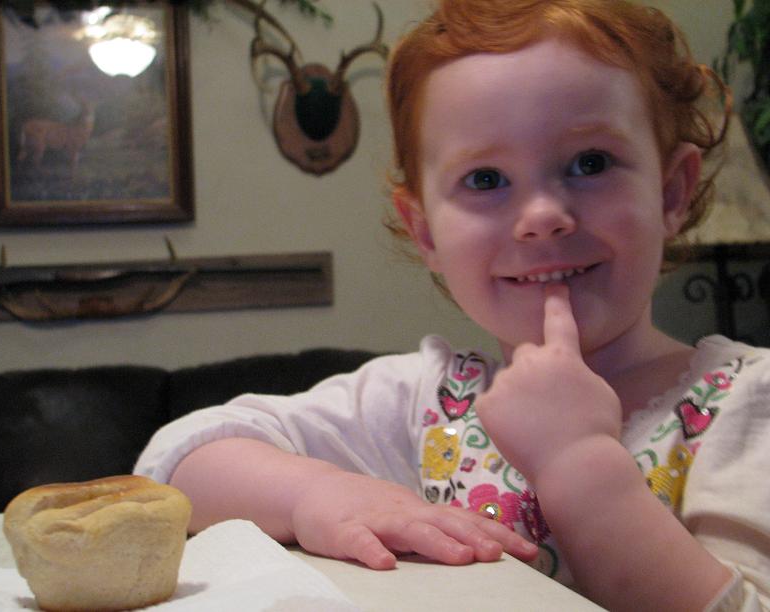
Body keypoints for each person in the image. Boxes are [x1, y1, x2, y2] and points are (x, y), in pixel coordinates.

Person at [135, 1, 770, 609]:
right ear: (427, 233)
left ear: (670, 192)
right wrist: (317, 493)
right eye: (485, 179)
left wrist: (576, 462)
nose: (542, 215)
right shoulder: (426, 403)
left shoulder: (745, 404)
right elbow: (179, 458)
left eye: (590, 162)